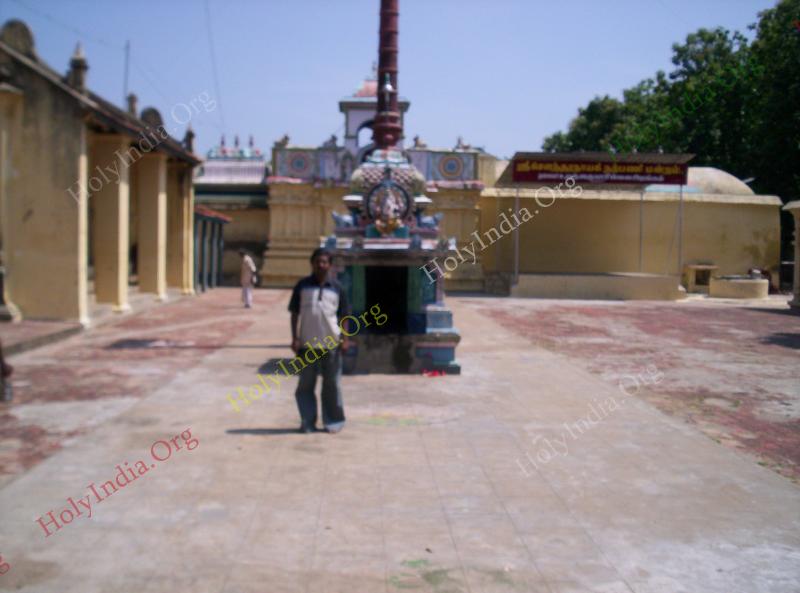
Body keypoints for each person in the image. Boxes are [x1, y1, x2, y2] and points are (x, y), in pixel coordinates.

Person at [288, 248, 349, 434]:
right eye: (318, 262)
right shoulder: (302, 286)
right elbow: (294, 313)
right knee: (306, 385)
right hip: (307, 346)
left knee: (332, 385)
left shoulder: (338, 288)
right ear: (312, 264)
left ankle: (333, 422)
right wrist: (294, 338)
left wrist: (345, 339)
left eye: (324, 262)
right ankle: (307, 421)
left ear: (330, 265)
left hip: (331, 344)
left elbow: (344, 316)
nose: (321, 265)